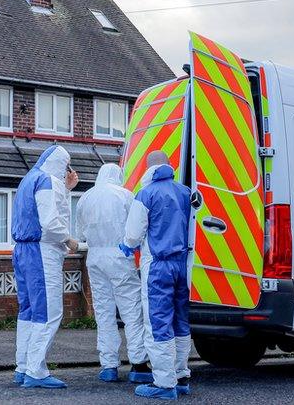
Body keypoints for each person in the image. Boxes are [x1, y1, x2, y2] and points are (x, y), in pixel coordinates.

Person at [120, 151, 193, 400]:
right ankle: (181, 376)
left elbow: (133, 233)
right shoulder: (185, 192)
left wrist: (127, 245)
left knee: (158, 322)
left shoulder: (146, 193)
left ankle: (163, 384)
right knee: (180, 321)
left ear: (148, 168)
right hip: (182, 265)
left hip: (158, 266)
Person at [75, 163, 153, 384]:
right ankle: (138, 364)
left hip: (95, 257)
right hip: (119, 256)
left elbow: (80, 232)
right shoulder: (125, 195)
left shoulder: (85, 198)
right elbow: (135, 227)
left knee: (104, 312)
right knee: (131, 311)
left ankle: (108, 365)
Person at [13, 145, 80, 389]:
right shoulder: (48, 181)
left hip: (22, 250)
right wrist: (69, 239)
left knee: (29, 311)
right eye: (67, 165)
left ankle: (22, 367)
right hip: (42, 251)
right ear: (62, 163)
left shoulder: (29, 178)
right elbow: (51, 221)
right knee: (49, 311)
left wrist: (66, 188)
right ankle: (36, 371)